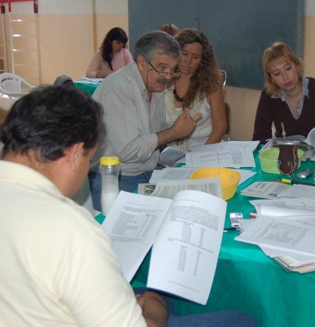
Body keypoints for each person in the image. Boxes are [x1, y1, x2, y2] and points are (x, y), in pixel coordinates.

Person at [0, 85, 257, 327]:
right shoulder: (72, 230)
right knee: (240, 320)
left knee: (150, 292)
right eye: (91, 160)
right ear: (75, 154)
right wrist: (155, 313)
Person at [89, 30, 201, 212]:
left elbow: (151, 132)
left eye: (172, 70)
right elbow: (129, 151)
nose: (167, 76)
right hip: (115, 179)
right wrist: (174, 132)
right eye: (162, 67)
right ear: (141, 62)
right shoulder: (119, 89)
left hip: (146, 171)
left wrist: (179, 129)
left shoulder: (154, 84)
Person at [252, 41, 315, 146]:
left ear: (297, 66)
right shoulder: (269, 96)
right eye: (277, 73)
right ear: (272, 79)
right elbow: (259, 137)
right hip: (287, 156)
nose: (285, 77)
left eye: (288, 68)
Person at [163, 28, 227, 151]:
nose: (188, 61)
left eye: (195, 57)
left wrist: (201, 156)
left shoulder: (212, 88)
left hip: (204, 151)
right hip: (169, 153)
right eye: (184, 54)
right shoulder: (162, 83)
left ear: (203, 60)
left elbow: (220, 127)